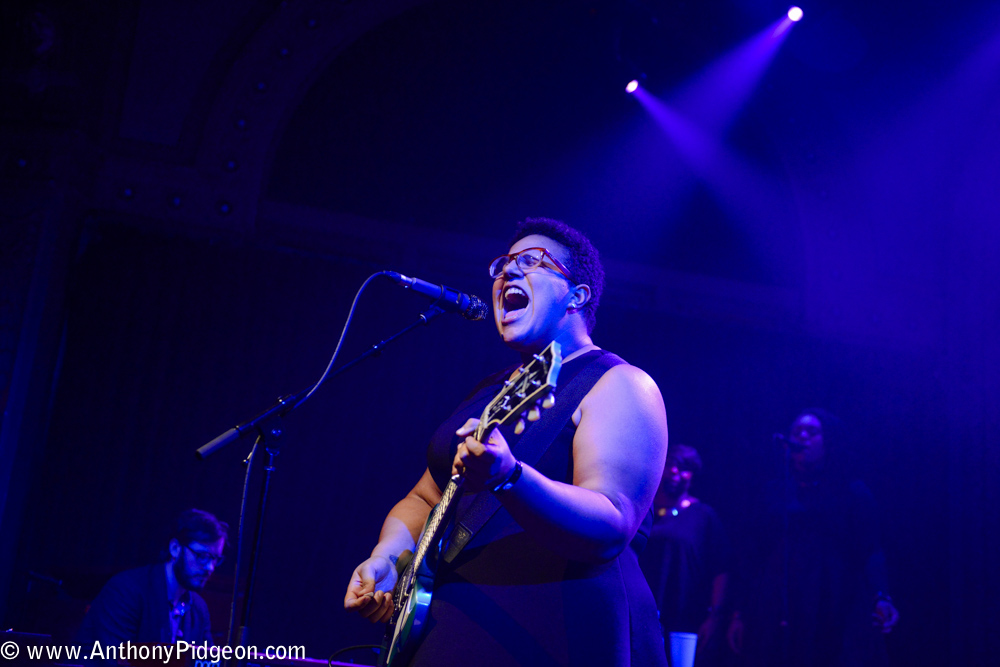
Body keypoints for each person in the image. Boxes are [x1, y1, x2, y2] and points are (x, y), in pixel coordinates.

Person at [344, 218, 670, 666]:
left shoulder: (619, 384)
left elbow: (612, 521)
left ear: (578, 296)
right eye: (503, 265)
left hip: (555, 629)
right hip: (447, 631)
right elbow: (425, 497)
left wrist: (510, 476)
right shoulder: (488, 391)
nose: (507, 274)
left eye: (532, 262)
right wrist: (385, 559)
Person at [728, 409, 899, 667]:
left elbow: (871, 549)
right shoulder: (774, 493)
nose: (803, 436)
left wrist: (882, 596)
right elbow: (752, 556)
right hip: (780, 606)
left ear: (829, 440)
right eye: (797, 432)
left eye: (812, 432)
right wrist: (739, 613)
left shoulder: (852, 493)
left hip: (836, 603)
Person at [77, 508, 228, 650]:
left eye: (215, 559)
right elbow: (116, 661)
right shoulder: (126, 590)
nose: (210, 567)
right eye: (202, 556)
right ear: (175, 548)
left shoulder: (198, 607)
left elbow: (205, 662)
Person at [639, 444, 735, 665]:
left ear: (692, 475)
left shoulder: (704, 516)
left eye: (683, 468)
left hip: (685, 620)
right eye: (670, 465)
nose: (674, 472)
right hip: (644, 611)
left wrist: (715, 616)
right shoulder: (644, 510)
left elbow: (721, 568)